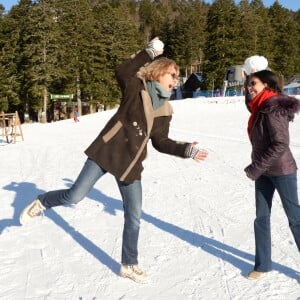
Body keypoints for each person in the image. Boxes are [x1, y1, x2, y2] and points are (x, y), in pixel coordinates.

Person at [19, 38, 208, 284]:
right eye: (172, 74)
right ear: (159, 72)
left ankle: (129, 264)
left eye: (177, 77)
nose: (175, 80)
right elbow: (122, 70)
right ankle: (42, 201)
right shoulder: (136, 88)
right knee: (74, 196)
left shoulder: (165, 109)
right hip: (107, 152)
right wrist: (148, 52)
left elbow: (160, 141)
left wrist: (186, 150)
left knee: (134, 214)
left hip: (130, 164)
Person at [244, 69, 300, 280]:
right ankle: (263, 265)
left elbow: (280, 144)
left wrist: (256, 168)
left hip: (282, 170)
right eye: (248, 84)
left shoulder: (273, 107)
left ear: (266, 85)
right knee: (261, 217)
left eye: (253, 84)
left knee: (295, 219)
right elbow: (248, 101)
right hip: (264, 171)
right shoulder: (259, 105)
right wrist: (247, 82)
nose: (250, 88)